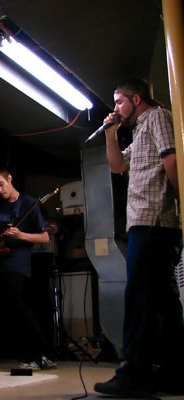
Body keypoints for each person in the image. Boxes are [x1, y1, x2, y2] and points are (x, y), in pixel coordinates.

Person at [94, 78, 184, 397]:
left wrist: (181, 202)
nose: (115, 107)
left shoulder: (157, 117)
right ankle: (174, 374)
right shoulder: (140, 129)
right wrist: (110, 134)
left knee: (140, 300)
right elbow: (118, 165)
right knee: (163, 302)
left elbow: (171, 159)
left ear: (136, 99)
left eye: (119, 101)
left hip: (153, 221)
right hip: (149, 224)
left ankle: (135, 375)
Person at [0, 168, 56, 369]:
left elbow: (44, 237)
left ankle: (42, 353)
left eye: (1, 184)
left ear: (10, 178)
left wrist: (21, 236)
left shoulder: (28, 203)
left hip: (17, 263)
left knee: (18, 306)